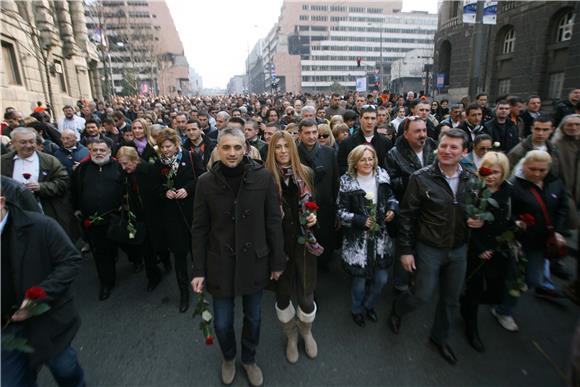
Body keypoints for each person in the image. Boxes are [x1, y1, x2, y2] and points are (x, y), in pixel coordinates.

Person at [191, 127, 285, 387]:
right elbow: (199, 228)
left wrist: (278, 261)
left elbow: (273, 222)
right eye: (226, 148)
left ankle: (249, 358)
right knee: (221, 323)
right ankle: (229, 357)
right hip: (219, 262)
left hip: (254, 260)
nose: (232, 153)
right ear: (218, 149)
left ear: (245, 149)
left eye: (237, 147)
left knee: (253, 318)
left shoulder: (264, 178)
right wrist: (198, 269)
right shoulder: (204, 182)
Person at [389, 129, 484, 365]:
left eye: (454, 147)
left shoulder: (472, 177)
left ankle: (440, 338)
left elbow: (478, 208)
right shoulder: (420, 178)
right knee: (422, 294)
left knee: (451, 299)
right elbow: (407, 216)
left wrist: (479, 219)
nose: (447, 151)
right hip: (429, 247)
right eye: (443, 146)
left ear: (465, 152)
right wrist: (405, 251)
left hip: (459, 248)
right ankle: (398, 310)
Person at [1, 193, 85, 386]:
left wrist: (38, 296)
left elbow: (70, 261)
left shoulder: (40, 226)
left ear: (1, 202)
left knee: (65, 369)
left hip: (47, 322)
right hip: (5, 331)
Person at [492, 150, 569, 331]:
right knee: (515, 278)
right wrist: (517, 221)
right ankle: (504, 310)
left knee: (533, 279)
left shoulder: (555, 184)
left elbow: (562, 209)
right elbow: (505, 212)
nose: (536, 174)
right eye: (532, 169)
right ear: (524, 166)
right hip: (518, 242)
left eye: (542, 170)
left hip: (541, 243)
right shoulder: (514, 187)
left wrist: (558, 231)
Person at [265, 131, 321, 364]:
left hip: (304, 243)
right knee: (282, 296)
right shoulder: (265, 177)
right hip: (277, 245)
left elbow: (312, 204)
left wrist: (313, 217)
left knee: (306, 297)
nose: (283, 151)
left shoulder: (306, 173)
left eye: (286, 146)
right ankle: (290, 336)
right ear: (272, 150)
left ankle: (306, 332)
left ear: (293, 148)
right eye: (277, 147)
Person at [338, 144, 398, 327]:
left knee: (382, 279)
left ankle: (370, 305)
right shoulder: (347, 181)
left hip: (381, 238)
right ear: (355, 162)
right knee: (359, 282)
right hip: (358, 241)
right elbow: (340, 212)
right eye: (363, 159)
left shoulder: (382, 176)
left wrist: (392, 209)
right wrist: (358, 220)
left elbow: (391, 197)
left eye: (370, 158)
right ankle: (357, 309)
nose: (367, 162)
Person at [460, 152, 513, 352]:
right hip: (477, 249)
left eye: (496, 172)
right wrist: (481, 247)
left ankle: (464, 301)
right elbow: (466, 219)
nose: (491, 176)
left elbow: (510, 217)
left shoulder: (508, 191)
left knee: (496, 292)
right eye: (488, 171)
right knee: (474, 288)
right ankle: (471, 327)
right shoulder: (474, 189)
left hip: (500, 249)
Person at [1, 127, 77, 241]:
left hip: (46, 211)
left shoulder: (49, 161)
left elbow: (63, 182)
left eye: (31, 141)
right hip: (15, 214)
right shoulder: (3, 162)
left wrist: (42, 187)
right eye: (23, 142)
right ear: (13, 143)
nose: (28, 145)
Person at [72, 138, 125, 300]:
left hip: (118, 218)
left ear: (110, 151)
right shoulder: (82, 169)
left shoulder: (118, 167)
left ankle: (135, 260)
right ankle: (106, 283)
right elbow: (74, 190)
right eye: (95, 150)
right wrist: (77, 209)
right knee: (101, 253)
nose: (98, 153)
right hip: (93, 221)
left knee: (125, 245)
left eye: (102, 150)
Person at [156, 128, 196, 312]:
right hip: (171, 216)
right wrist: (164, 192)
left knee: (197, 249)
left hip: (191, 212)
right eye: (162, 147)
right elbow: (153, 186)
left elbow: (202, 177)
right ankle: (184, 294)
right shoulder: (157, 163)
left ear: (176, 144)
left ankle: (203, 279)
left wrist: (187, 189)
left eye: (168, 146)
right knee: (179, 255)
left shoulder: (190, 156)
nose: (165, 150)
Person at [117, 146, 163, 292]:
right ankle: (153, 277)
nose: (124, 167)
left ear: (135, 159)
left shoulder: (149, 170)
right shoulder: (124, 173)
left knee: (160, 244)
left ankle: (166, 260)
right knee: (146, 249)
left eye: (126, 164)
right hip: (138, 217)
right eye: (121, 164)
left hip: (154, 215)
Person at [297, 118, 339, 270]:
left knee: (325, 240)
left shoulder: (329, 153)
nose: (312, 136)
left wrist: (336, 209)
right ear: (300, 134)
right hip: (302, 208)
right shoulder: (293, 153)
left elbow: (335, 182)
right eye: (307, 133)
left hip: (325, 207)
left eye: (314, 132)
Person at [552, 114, 580, 302]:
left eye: (577, 124)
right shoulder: (556, 146)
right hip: (564, 195)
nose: (573, 127)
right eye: (569, 124)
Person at [338, 105, 392, 175]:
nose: (369, 122)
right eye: (366, 118)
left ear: (376, 120)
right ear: (360, 119)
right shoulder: (346, 143)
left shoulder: (386, 143)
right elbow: (341, 168)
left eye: (373, 118)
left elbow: (389, 168)